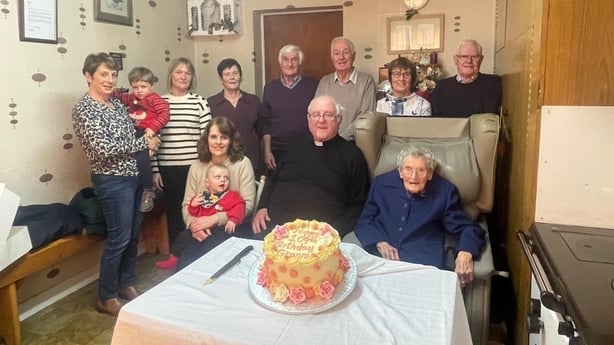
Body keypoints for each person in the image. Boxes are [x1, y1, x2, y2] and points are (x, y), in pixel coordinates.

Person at [72, 52, 161, 316]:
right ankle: (106, 296)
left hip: (133, 176)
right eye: (104, 74)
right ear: (89, 76)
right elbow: (103, 148)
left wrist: (149, 140)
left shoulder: (118, 105)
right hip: (111, 181)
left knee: (133, 235)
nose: (110, 80)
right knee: (119, 238)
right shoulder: (84, 108)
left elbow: (135, 132)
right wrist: (144, 143)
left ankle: (126, 284)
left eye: (113, 74)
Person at [353, 146, 485, 286]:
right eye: (408, 169)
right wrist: (379, 241)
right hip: (380, 261)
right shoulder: (381, 184)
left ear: (430, 174)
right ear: (400, 172)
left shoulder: (445, 192)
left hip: (421, 264)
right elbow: (364, 221)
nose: (413, 176)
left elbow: (466, 228)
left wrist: (465, 252)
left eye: (421, 170)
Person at [251, 95, 370, 238]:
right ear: (308, 119)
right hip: (275, 227)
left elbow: (358, 204)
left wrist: (334, 232)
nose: (321, 120)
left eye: (328, 115)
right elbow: (272, 180)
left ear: (339, 120)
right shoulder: (293, 145)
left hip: (319, 236)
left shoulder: (352, 155)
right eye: (316, 115)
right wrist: (262, 207)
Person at [176, 116, 256, 270]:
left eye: (224, 137)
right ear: (206, 139)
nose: (218, 142)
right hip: (200, 228)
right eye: (213, 137)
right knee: (186, 261)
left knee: (211, 259)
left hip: (233, 227)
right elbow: (187, 205)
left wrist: (215, 219)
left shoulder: (242, 163)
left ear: (231, 140)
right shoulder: (196, 167)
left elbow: (248, 205)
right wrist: (195, 226)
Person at [152, 57, 211, 246]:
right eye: (179, 72)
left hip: (195, 166)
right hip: (168, 168)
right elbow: (152, 140)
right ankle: (177, 252)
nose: (183, 76)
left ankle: (198, 248)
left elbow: (207, 138)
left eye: (187, 72)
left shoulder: (200, 102)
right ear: (171, 75)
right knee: (175, 211)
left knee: (198, 209)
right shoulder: (158, 103)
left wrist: (207, 167)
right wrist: (155, 171)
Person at [156, 163, 245, 269]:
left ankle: (208, 265)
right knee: (182, 237)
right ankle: (173, 259)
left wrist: (233, 219)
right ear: (207, 183)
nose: (223, 180)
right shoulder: (203, 196)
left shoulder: (232, 195)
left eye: (226, 178)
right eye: (218, 177)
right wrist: (193, 205)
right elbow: (194, 212)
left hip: (219, 229)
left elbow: (240, 207)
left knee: (213, 244)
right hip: (200, 227)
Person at [113, 66, 170, 212]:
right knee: (135, 161)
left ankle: (148, 190)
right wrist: (113, 91)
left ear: (151, 86)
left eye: (143, 87)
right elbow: (122, 97)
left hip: (149, 132)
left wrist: (153, 128)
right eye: (135, 87)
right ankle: (140, 187)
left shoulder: (154, 99)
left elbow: (164, 114)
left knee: (143, 161)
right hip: (136, 133)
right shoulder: (133, 98)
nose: (139, 90)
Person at [261, 44, 318, 171]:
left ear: (300, 63)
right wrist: (267, 151)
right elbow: (265, 124)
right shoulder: (270, 88)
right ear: (280, 63)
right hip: (277, 151)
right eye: (286, 59)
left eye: (294, 59)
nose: (290, 64)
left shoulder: (313, 85)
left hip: (306, 149)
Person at [208, 58, 264, 176]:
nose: (232, 77)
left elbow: (261, 130)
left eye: (235, 73)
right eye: (227, 74)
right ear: (221, 79)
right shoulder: (211, 103)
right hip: (222, 161)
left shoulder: (253, 101)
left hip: (252, 158)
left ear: (241, 76)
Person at [315, 37, 376, 140]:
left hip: (354, 143)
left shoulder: (367, 82)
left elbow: (365, 118)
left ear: (354, 56)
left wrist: (341, 139)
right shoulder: (324, 82)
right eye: (337, 53)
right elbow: (316, 114)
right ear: (332, 57)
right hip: (326, 142)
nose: (341, 57)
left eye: (346, 52)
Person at [430, 39, 502, 117]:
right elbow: (435, 121)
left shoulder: (492, 83)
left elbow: (488, 118)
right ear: (456, 60)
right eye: (464, 56)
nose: (469, 61)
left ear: (481, 60)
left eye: (474, 56)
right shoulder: (441, 87)